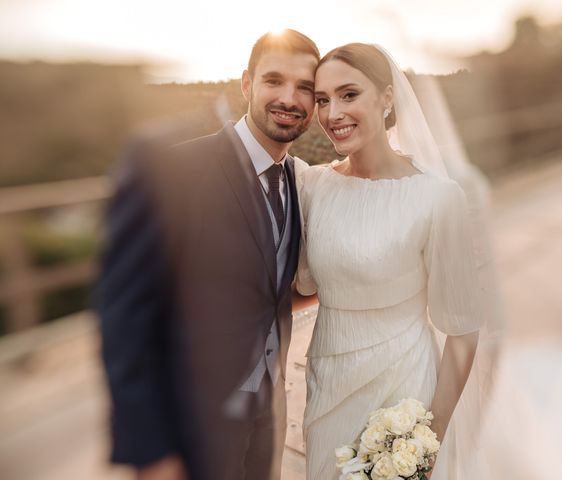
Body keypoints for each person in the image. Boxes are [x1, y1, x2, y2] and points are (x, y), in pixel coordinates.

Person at [98, 29, 319, 480]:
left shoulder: (303, 181)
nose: (288, 98)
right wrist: (150, 453)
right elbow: (126, 319)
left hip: (269, 414)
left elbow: (270, 289)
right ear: (246, 84)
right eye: (273, 80)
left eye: (305, 88)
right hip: (192, 424)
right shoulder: (175, 170)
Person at [294, 43, 497, 479]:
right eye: (323, 100)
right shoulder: (312, 187)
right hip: (327, 391)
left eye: (349, 95)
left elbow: (463, 332)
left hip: (404, 394)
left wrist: (427, 438)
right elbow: (301, 285)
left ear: (387, 98)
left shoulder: (437, 197)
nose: (332, 114)